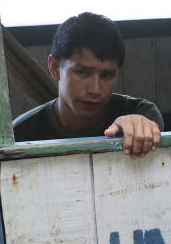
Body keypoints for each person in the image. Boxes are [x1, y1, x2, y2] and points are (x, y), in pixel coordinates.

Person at [13, 12, 163, 156]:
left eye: (107, 75)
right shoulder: (19, 134)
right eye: (82, 73)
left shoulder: (141, 113)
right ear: (55, 68)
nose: (95, 90)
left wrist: (139, 127)